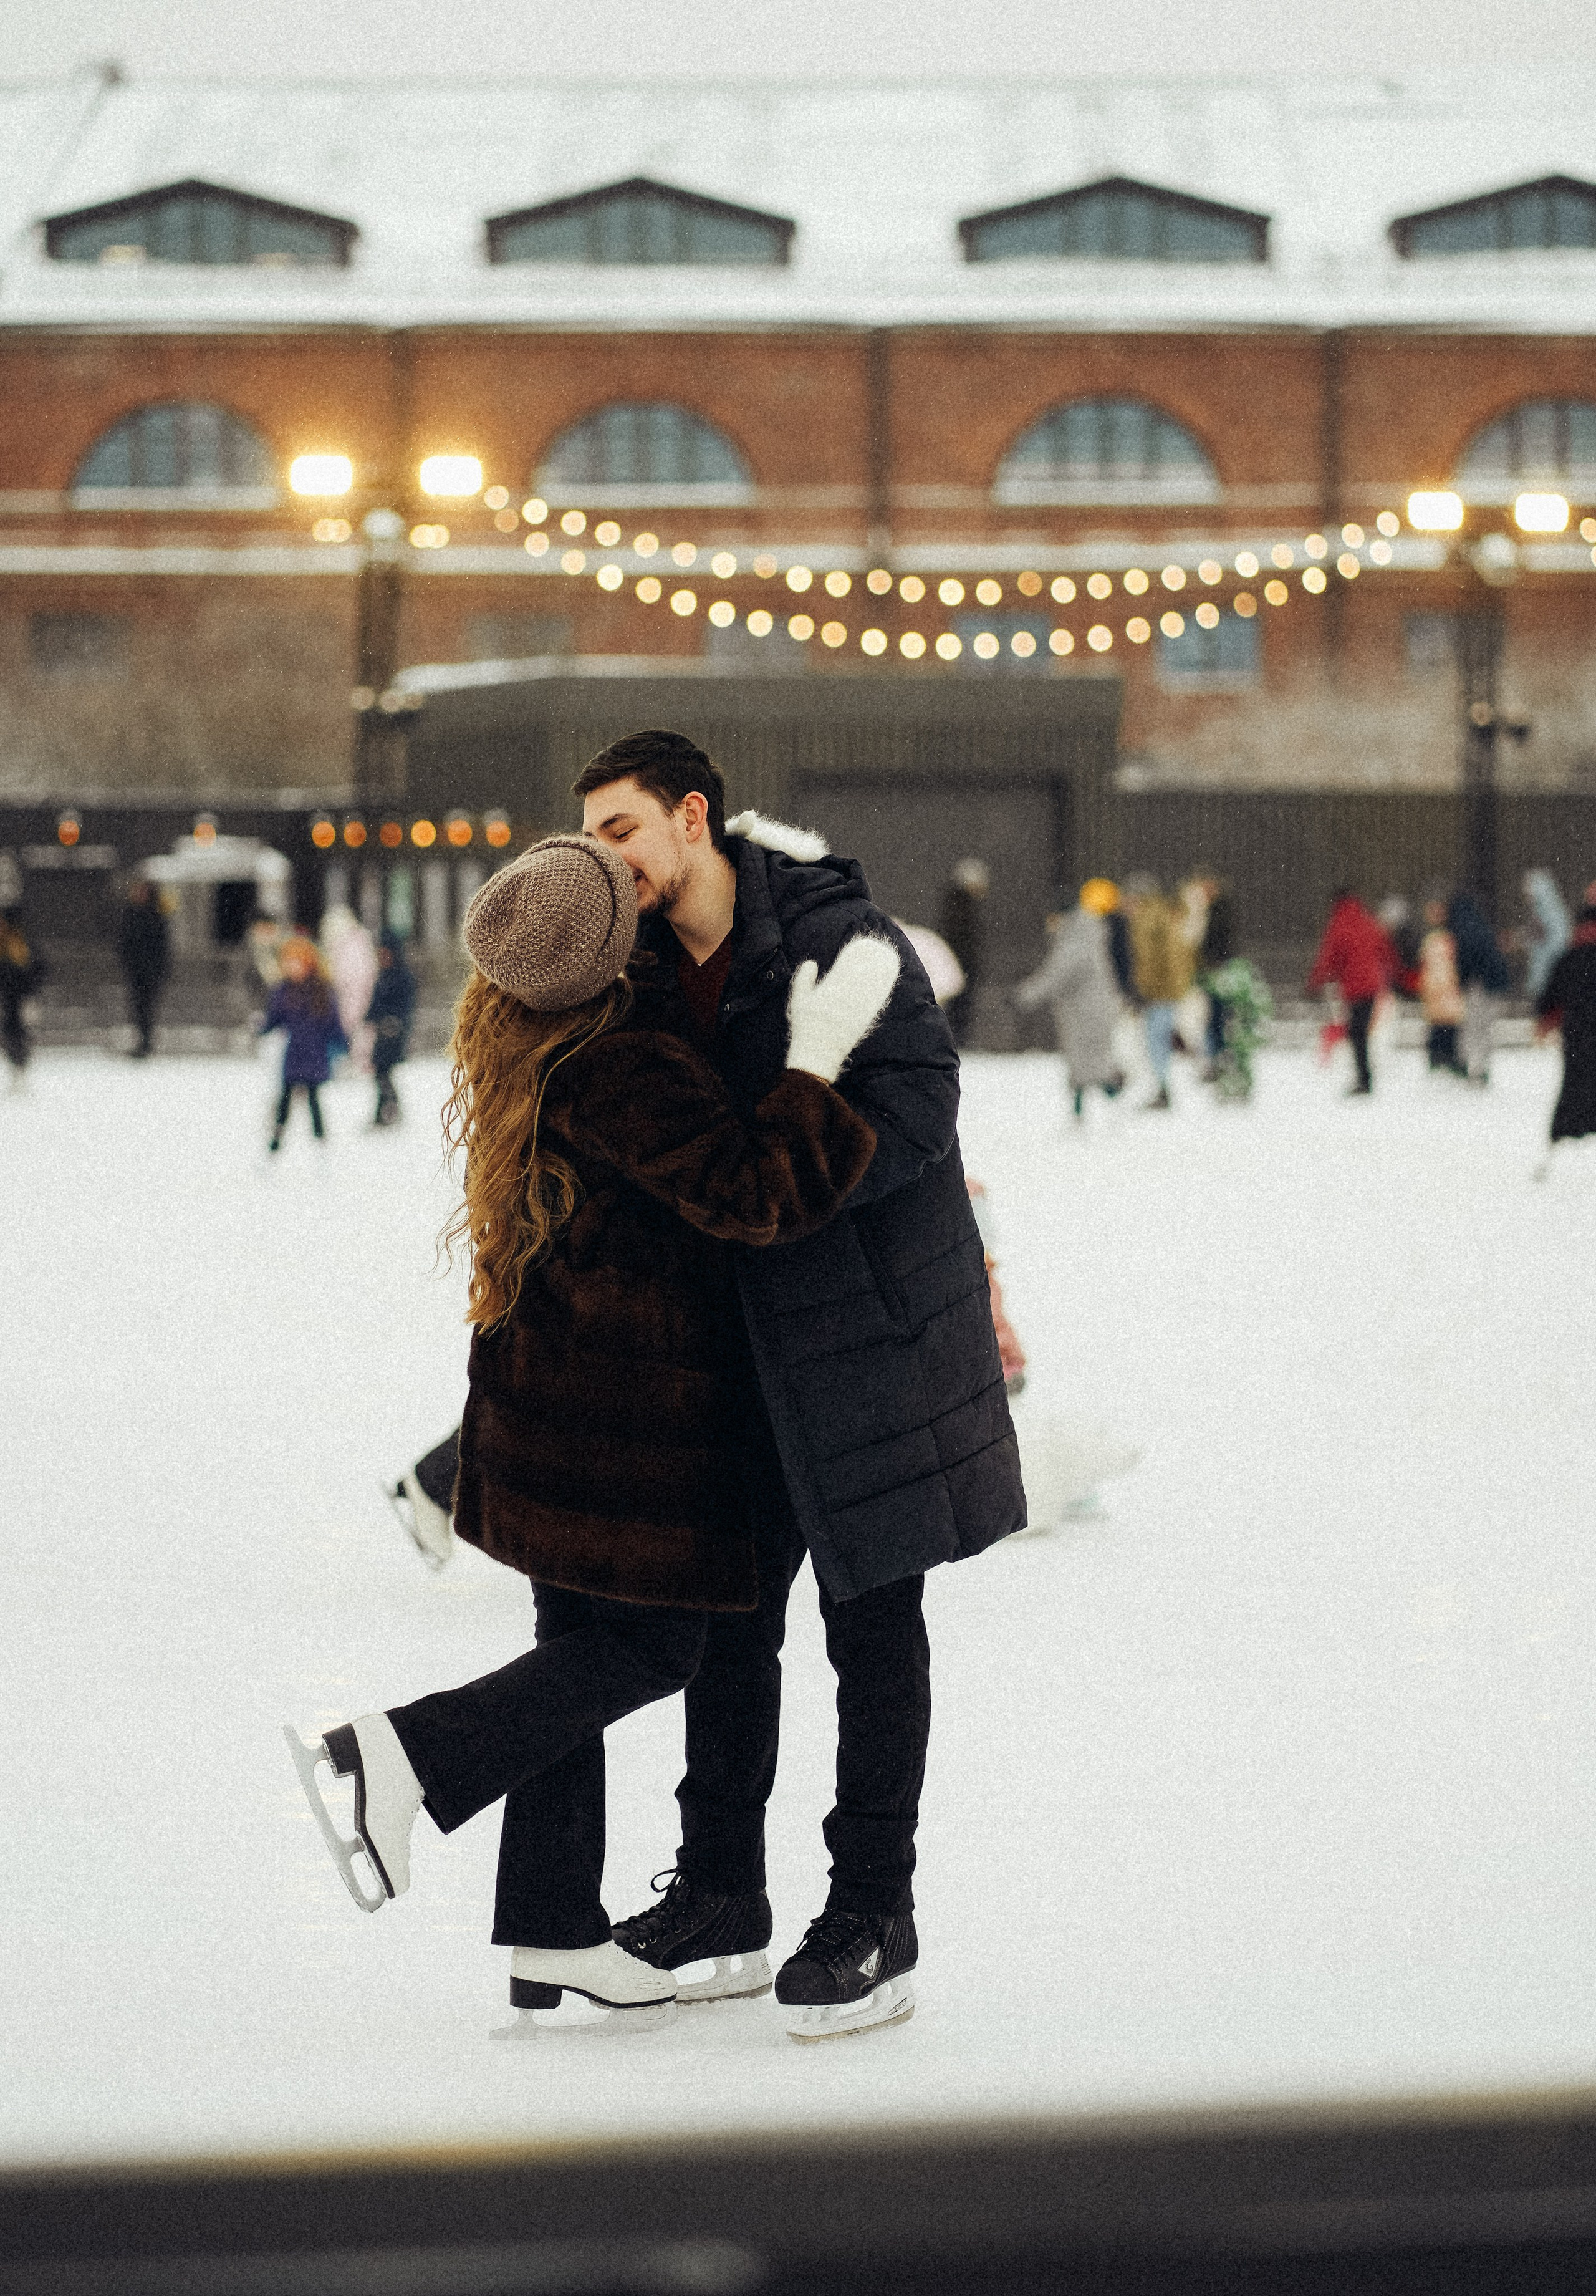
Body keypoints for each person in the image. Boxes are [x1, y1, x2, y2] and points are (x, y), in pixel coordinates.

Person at [287, 833, 895, 2031]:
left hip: (541, 1405)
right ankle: (400, 1756)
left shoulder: (522, 1033)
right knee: (659, 1646)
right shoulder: (626, 1062)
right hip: (625, 1416)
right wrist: (818, 1061)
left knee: (568, 1652)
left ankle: (552, 1922)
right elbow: (756, 1193)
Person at [579, 739, 1022, 2038]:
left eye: (620, 829)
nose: (605, 857)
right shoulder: (636, 972)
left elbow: (923, 1105)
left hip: (862, 1338)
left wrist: (788, 1188)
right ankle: (722, 1891)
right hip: (725, 1345)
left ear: (692, 816)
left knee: (872, 1624)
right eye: (589, 835)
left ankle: (873, 1910)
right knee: (727, 1624)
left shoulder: (840, 938)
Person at [1013, 894, 1125, 1120]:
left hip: (1086, 1013)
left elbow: (1057, 976)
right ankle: (1089, 1106)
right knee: (1087, 1061)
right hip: (1089, 1010)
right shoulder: (1083, 934)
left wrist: (1023, 996)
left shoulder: (1075, 940)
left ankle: (1104, 1102)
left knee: (1087, 1061)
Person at [260, 933, 347, 1150]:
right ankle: (277, 1138)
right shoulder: (283, 990)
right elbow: (275, 1018)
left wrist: (342, 1045)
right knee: (286, 1097)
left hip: (315, 1052)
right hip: (294, 1053)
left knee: (313, 1098)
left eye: (297, 962)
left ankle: (320, 1139)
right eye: (289, 962)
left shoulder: (321, 991)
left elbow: (333, 1023)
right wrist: (262, 1028)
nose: (293, 968)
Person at [1307, 885, 1395, 1096]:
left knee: (1357, 1033)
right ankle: (1364, 1077)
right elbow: (1385, 951)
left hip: (1354, 988)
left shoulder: (1339, 924)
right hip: (1373, 986)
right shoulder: (1368, 921)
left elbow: (1329, 958)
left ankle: (1364, 1079)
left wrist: (1315, 983)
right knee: (1360, 1032)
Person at [1533, 893, 1596, 1177]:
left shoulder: (1570, 956)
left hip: (1577, 1033)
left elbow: (1550, 996)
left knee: (1574, 1085)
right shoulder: (1570, 957)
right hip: (1580, 1031)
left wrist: (1545, 1020)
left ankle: (1562, 1136)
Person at [1125, 874, 1192, 1110]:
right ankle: (1161, 1087)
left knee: (1156, 1040)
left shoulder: (1148, 919)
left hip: (1159, 991)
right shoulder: (1162, 913)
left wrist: (1144, 989)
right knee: (1158, 1039)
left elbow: (1149, 959)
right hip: (1168, 989)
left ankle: (1162, 1088)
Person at [1448, 890, 1511, 1086]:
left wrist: (1462, 981)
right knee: (1483, 1028)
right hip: (1493, 983)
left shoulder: (1463, 929)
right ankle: (1481, 1066)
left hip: (1479, 984)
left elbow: (1467, 961)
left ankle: (1472, 1067)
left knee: (1474, 1026)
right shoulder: (1480, 925)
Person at [365, 930, 416, 1127]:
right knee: (380, 1072)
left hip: (394, 1034)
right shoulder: (383, 976)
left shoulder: (402, 977)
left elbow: (406, 1005)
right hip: (382, 1033)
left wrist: (396, 1021)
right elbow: (376, 1002)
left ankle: (389, 1109)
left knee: (383, 1072)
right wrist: (370, 1018)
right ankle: (385, 1110)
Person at [938, 856, 989, 1046]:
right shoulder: (962, 906)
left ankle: (955, 1041)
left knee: (957, 1008)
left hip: (957, 964)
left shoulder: (955, 904)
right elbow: (963, 940)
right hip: (960, 965)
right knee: (959, 1008)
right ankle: (957, 1043)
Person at [117, 879, 170, 1059]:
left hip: (151, 971)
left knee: (147, 1007)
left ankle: (146, 1042)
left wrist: (156, 968)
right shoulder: (131, 914)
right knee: (138, 1007)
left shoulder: (156, 915)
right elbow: (125, 942)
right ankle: (142, 1041)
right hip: (136, 970)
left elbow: (162, 946)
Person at [1417, 897, 1466, 1075]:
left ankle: (1447, 1059)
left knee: (1448, 1025)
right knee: (1439, 1025)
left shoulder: (1449, 937)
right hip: (1437, 988)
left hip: (1447, 988)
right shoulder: (1434, 939)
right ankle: (1440, 1059)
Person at [1197, 874, 1238, 1072]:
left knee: (1216, 1015)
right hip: (1216, 966)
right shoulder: (1216, 910)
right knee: (1215, 1016)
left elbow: (1218, 941)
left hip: (1217, 968)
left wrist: (1213, 961)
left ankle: (1218, 1056)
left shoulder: (1217, 911)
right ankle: (1218, 1056)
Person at [1, 909, 43, 1083]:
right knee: (15, 1029)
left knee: (19, 1030)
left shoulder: (20, 942)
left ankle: (20, 1064)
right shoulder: (13, 942)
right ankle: (18, 1064)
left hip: (19, 995)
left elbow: (37, 966)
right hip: (12, 995)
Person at [1522, 868, 1572, 1004]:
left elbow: (1553, 939)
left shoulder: (1549, 911)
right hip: (1548, 969)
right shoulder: (1546, 909)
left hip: (1550, 969)